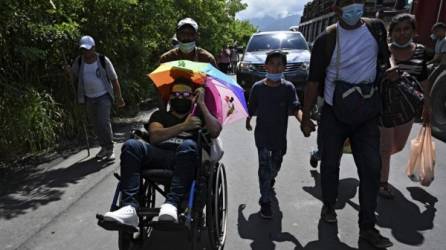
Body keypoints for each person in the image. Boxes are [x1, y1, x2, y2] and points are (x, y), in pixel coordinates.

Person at [300, 0, 393, 248]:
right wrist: (306, 115)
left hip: (367, 114)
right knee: (330, 164)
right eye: (347, 5)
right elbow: (313, 81)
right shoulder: (327, 40)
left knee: (371, 169)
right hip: (334, 113)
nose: (354, 8)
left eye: (357, 3)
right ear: (336, 10)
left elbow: (385, 61)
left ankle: (367, 228)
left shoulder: (376, 30)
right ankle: (329, 206)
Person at [101, 78, 222, 230]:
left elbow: (216, 131)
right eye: (176, 94)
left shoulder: (198, 116)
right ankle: (129, 207)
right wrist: (184, 126)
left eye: (185, 94)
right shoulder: (160, 115)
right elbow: (155, 136)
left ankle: (171, 204)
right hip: (158, 154)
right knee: (131, 145)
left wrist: (202, 104)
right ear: (170, 97)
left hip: (187, 159)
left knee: (189, 146)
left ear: (193, 97)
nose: (180, 97)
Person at [246, 51, 311, 219]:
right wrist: (248, 120)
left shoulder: (288, 88)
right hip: (262, 136)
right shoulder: (258, 88)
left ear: (284, 67)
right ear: (266, 66)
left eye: (280, 64)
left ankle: (271, 178)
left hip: (279, 138)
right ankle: (265, 201)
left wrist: (304, 122)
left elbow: (296, 108)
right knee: (264, 167)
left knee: (276, 163)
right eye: (272, 63)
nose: (276, 67)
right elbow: (251, 107)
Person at [379, 14, 431, 199]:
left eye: (406, 29)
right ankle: (382, 182)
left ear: (413, 31)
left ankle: (376, 158)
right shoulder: (384, 50)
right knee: (385, 147)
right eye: (398, 30)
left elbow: (424, 81)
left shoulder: (420, 52)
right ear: (391, 33)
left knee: (397, 146)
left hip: (407, 109)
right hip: (384, 106)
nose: (402, 33)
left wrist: (427, 105)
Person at [66, 35, 125, 160]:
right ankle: (104, 147)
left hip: (103, 96)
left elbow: (114, 79)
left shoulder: (103, 60)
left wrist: (119, 97)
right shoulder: (79, 61)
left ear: (93, 47)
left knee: (103, 122)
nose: (86, 52)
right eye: (83, 49)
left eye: (88, 49)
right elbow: (74, 76)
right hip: (88, 97)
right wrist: (69, 72)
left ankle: (110, 148)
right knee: (95, 124)